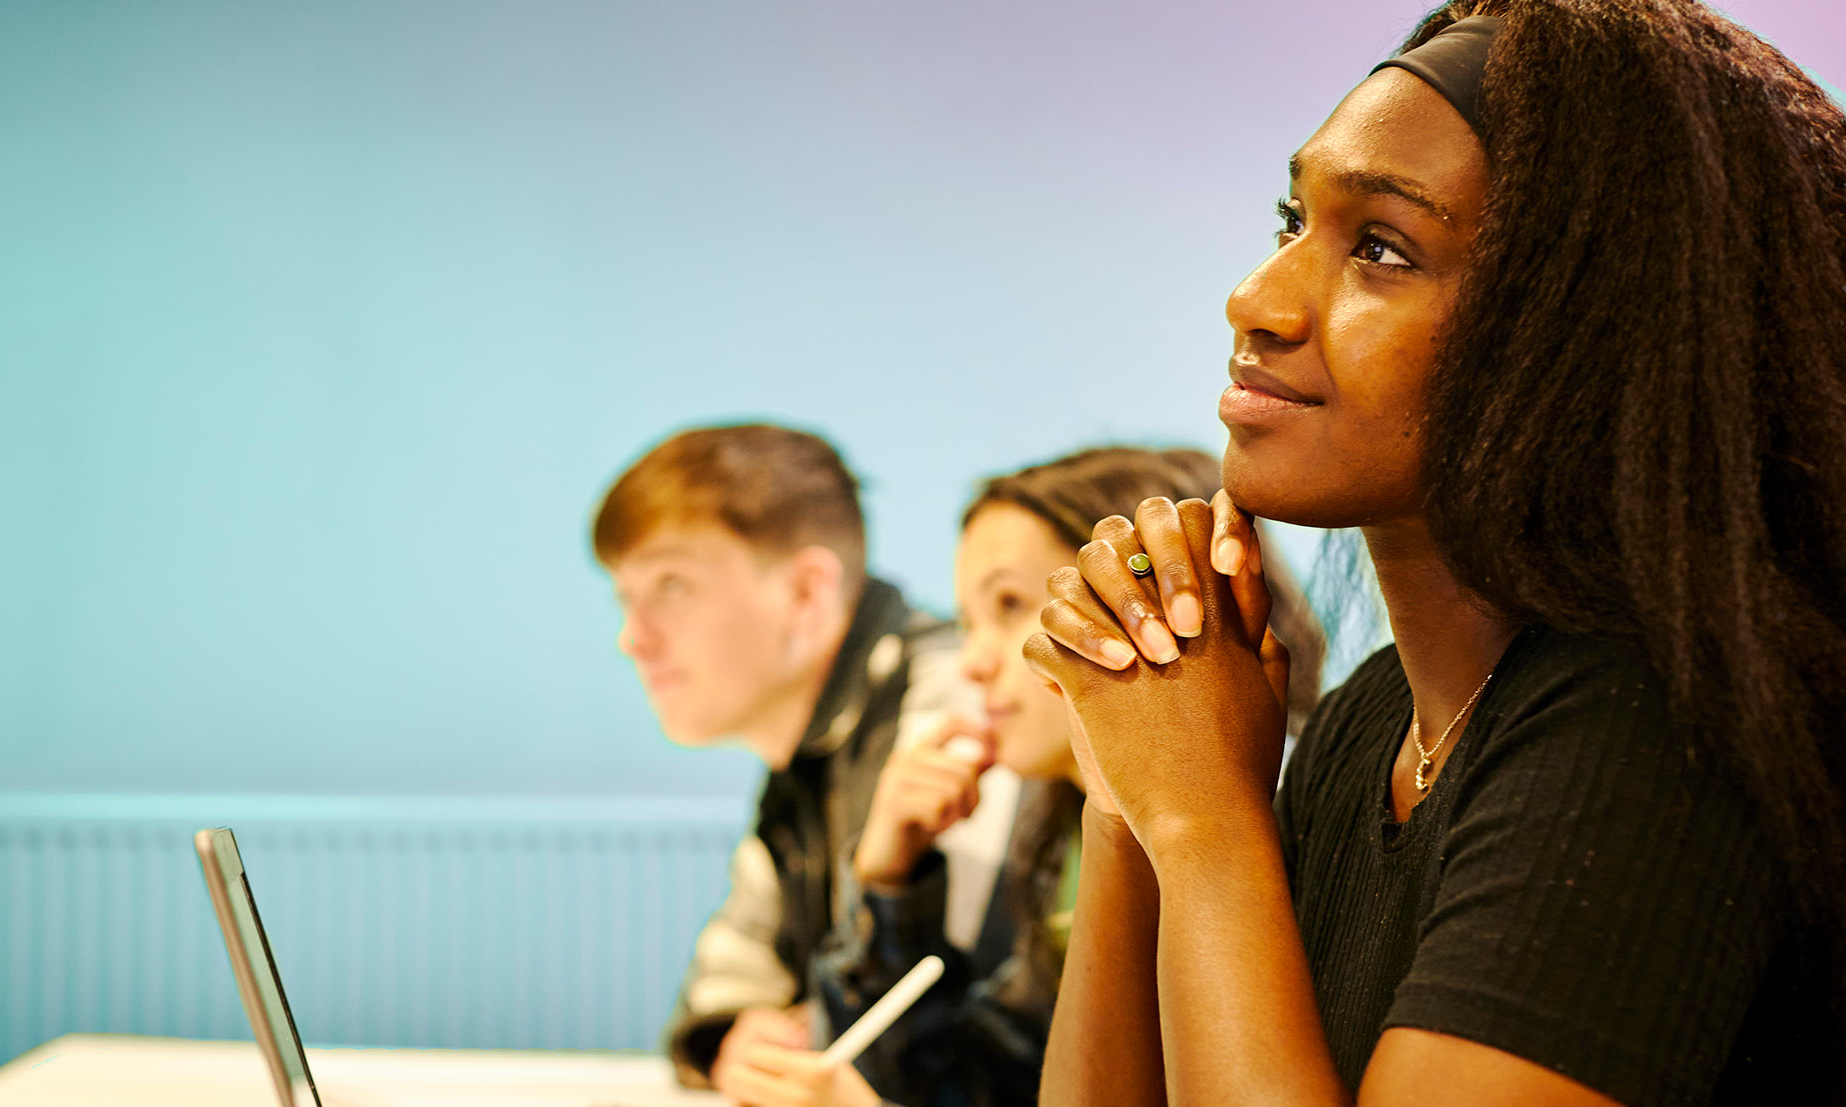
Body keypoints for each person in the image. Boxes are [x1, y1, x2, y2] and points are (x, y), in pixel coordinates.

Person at [1027, 3, 1846, 1104]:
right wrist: (1129, 795)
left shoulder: (1659, 732)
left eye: (1379, 248)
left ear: (1586, 328)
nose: (1253, 299)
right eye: (1289, 218)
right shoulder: (1375, 722)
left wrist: (1204, 824)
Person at [734, 447, 1326, 1107]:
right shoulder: (1062, 832)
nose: (974, 662)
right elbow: (978, 1080)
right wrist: (890, 879)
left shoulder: (1285, 813)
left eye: (1010, 603)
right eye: (967, 620)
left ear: (1148, 598)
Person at [591, 423, 1016, 1094]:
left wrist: (788, 1034)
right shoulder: (804, 749)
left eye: (670, 585)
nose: (631, 638)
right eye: (624, 595)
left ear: (806, 593)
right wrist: (732, 1038)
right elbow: (725, 983)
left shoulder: (952, 710)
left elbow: (942, 1031)